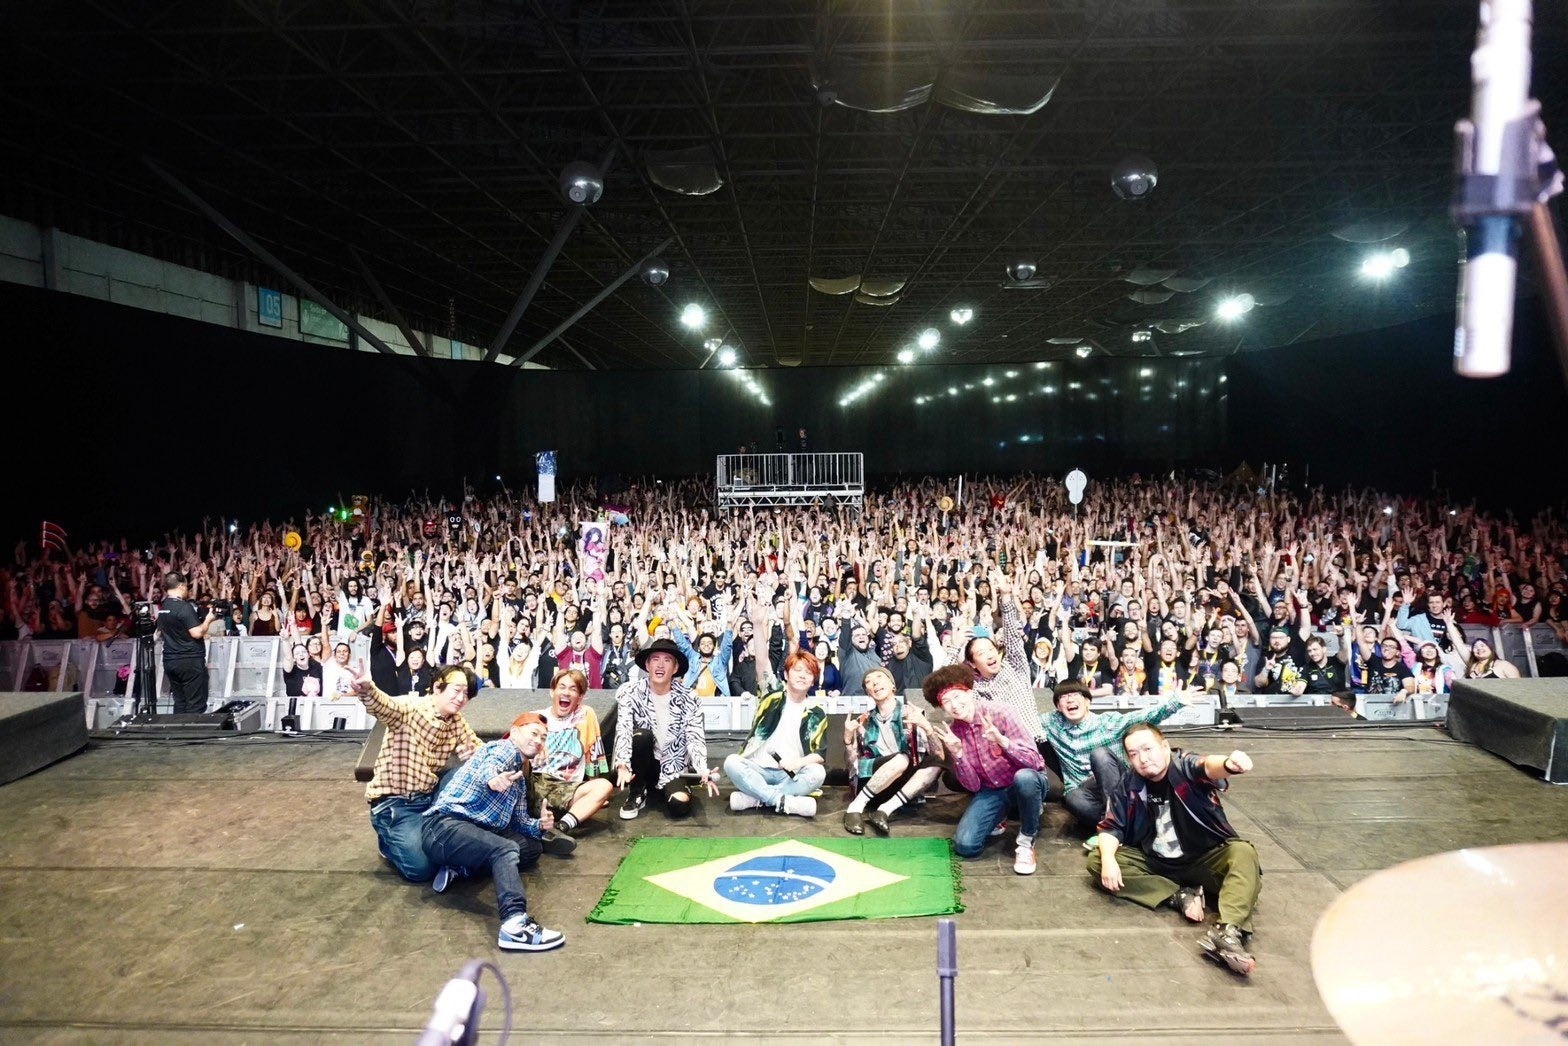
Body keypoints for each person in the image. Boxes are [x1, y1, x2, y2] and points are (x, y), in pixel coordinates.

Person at [1088, 723, 1261, 977]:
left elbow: (1206, 766)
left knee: (1243, 854)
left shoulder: (1183, 766)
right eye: (1134, 754)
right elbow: (1111, 827)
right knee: (1098, 860)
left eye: (1148, 749)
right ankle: (1178, 895)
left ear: (1165, 746)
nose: (1143, 759)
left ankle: (1228, 932)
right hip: (1156, 861)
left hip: (1202, 858)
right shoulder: (1129, 784)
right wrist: (1109, 861)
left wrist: (1229, 764)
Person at [421, 712, 566, 952]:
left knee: (531, 848)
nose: (538, 740)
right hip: (444, 827)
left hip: (475, 832)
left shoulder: (519, 780)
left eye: (543, 737)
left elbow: (519, 821)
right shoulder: (502, 749)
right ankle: (514, 925)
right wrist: (494, 779)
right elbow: (490, 767)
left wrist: (540, 825)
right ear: (515, 731)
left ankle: (461, 868)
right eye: (533, 733)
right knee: (505, 849)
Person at [353, 665, 482, 882]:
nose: (461, 698)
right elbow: (384, 705)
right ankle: (389, 842)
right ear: (437, 687)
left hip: (429, 797)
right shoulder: (410, 708)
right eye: (457, 690)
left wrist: (474, 752)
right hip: (396, 804)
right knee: (421, 870)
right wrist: (367, 689)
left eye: (467, 694)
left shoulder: (456, 721)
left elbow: (480, 748)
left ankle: (435, 833)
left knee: (465, 771)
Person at [922, 664, 1049, 875]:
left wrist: (1002, 741)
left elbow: (1034, 762)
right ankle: (1002, 815)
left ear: (970, 692)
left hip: (1027, 779)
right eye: (947, 701)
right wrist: (958, 754)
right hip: (993, 790)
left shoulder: (1001, 712)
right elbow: (973, 786)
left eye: (957, 696)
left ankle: (1026, 842)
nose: (954, 705)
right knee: (965, 846)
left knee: (1025, 778)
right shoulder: (955, 732)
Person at [1044, 681, 1195, 831]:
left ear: (1087, 701)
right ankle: (1121, 826)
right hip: (1086, 790)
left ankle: (1116, 822)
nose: (1070, 699)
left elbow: (1142, 717)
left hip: (1118, 785)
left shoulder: (1108, 722)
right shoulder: (1052, 724)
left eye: (1075, 694)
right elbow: (1029, 720)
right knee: (1073, 798)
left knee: (1100, 755)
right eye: (1064, 697)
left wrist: (1175, 702)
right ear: (1058, 707)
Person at [611, 636, 720, 820]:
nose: (660, 665)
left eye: (667, 660)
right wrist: (622, 764)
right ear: (647, 665)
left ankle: (666, 791)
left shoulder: (689, 698)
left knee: (680, 806)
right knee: (641, 736)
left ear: (675, 668)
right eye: (655, 659)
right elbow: (624, 728)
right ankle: (637, 791)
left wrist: (702, 768)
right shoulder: (629, 692)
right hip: (644, 765)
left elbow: (694, 736)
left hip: (673, 767)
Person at [722, 649, 828, 817]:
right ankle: (781, 801)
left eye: (809, 673)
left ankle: (756, 798)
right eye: (798, 670)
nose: (803, 676)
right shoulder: (771, 695)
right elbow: (762, 661)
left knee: (818, 773)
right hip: (757, 769)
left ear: (813, 680)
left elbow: (819, 755)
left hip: (789, 775)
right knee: (731, 762)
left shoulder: (816, 712)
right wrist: (759, 631)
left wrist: (796, 763)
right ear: (786, 674)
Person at [843, 666, 944, 835]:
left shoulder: (912, 714)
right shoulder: (863, 721)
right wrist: (847, 740)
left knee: (936, 764)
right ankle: (855, 807)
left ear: (893, 685)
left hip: (904, 786)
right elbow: (852, 767)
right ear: (868, 693)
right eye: (869, 682)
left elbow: (939, 755)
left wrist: (927, 728)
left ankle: (884, 811)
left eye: (879, 677)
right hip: (873, 781)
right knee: (902, 758)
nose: (875, 683)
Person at [962, 572, 1048, 749]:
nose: (990, 655)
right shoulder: (975, 687)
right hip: (1000, 750)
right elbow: (944, 684)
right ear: (972, 663)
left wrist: (1006, 596)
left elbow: (1012, 637)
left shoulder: (1014, 666)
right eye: (981, 653)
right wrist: (956, 645)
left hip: (1034, 743)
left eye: (991, 649)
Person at [524, 668, 613, 839]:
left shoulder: (585, 716)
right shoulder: (535, 718)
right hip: (533, 781)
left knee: (604, 786)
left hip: (564, 789)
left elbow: (593, 752)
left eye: (573, 689)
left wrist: (597, 795)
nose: (566, 692)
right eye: (562, 687)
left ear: (580, 698)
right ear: (552, 692)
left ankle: (561, 828)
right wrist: (534, 748)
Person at [156, 571, 215, 714]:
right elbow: (197, 633)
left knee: (180, 702)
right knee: (195, 704)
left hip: (170, 660)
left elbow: (159, 632)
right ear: (181, 586)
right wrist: (208, 620)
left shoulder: (164, 607)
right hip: (189, 661)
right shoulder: (184, 607)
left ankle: (177, 728)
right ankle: (191, 729)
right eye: (187, 587)